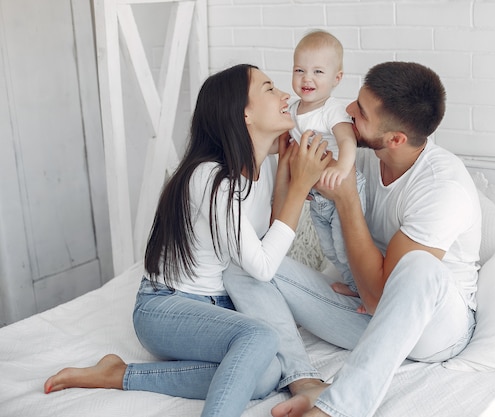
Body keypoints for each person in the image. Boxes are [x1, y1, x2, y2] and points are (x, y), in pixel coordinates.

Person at [43, 64, 331, 417]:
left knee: (267, 374)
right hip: (165, 308)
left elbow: (263, 245)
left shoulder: (260, 170)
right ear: (244, 113)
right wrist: (300, 188)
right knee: (260, 338)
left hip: (215, 307)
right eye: (270, 89)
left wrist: (289, 175)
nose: (286, 94)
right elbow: (262, 268)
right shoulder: (209, 177)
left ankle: (120, 375)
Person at [223, 61, 482, 417]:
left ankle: (335, 410)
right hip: (367, 305)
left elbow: (380, 295)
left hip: (436, 330)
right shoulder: (355, 153)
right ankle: (303, 379)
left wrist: (346, 199)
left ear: (395, 139)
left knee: (420, 266)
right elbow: (371, 293)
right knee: (242, 268)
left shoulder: (442, 187)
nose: (346, 112)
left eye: (360, 113)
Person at [288, 29, 366, 296]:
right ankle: (352, 282)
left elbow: (347, 141)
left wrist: (343, 169)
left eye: (318, 72)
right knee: (330, 248)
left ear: (337, 78)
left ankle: (361, 287)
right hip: (319, 196)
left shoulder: (332, 108)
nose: (307, 78)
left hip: (341, 188)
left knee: (345, 245)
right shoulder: (292, 110)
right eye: (300, 70)